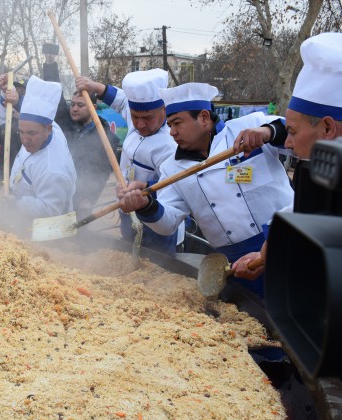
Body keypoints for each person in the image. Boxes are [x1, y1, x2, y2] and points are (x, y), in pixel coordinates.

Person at [118, 82, 293, 297]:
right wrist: (146, 205)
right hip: (233, 261)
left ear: (203, 117)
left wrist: (269, 131)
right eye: (170, 124)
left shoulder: (247, 126)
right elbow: (168, 224)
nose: (171, 132)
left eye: (176, 123)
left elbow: (301, 140)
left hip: (286, 242)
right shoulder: (172, 168)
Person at [232, 32, 342, 280]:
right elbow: (306, 210)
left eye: (291, 131)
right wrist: (270, 248)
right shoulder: (315, 167)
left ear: (327, 128)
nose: (287, 142)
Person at [76, 69, 179, 253]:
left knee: (156, 267)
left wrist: (146, 188)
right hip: (127, 213)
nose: (139, 124)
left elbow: (173, 188)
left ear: (163, 108)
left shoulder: (169, 145)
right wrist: (95, 87)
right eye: (135, 117)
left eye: (147, 118)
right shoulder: (137, 114)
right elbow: (122, 100)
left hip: (156, 222)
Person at [9, 75, 76, 219]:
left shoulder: (53, 169)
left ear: (48, 130)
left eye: (31, 133)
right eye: (21, 132)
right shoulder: (46, 124)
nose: (25, 140)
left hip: (43, 229)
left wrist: (15, 202)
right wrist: (16, 100)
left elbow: (50, 210)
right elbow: (35, 112)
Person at [63, 90, 120, 219]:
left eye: (80, 105)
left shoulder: (105, 138)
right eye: (72, 104)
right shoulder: (69, 126)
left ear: (93, 107)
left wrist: (89, 198)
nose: (75, 109)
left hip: (81, 197)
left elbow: (101, 171)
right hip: (62, 192)